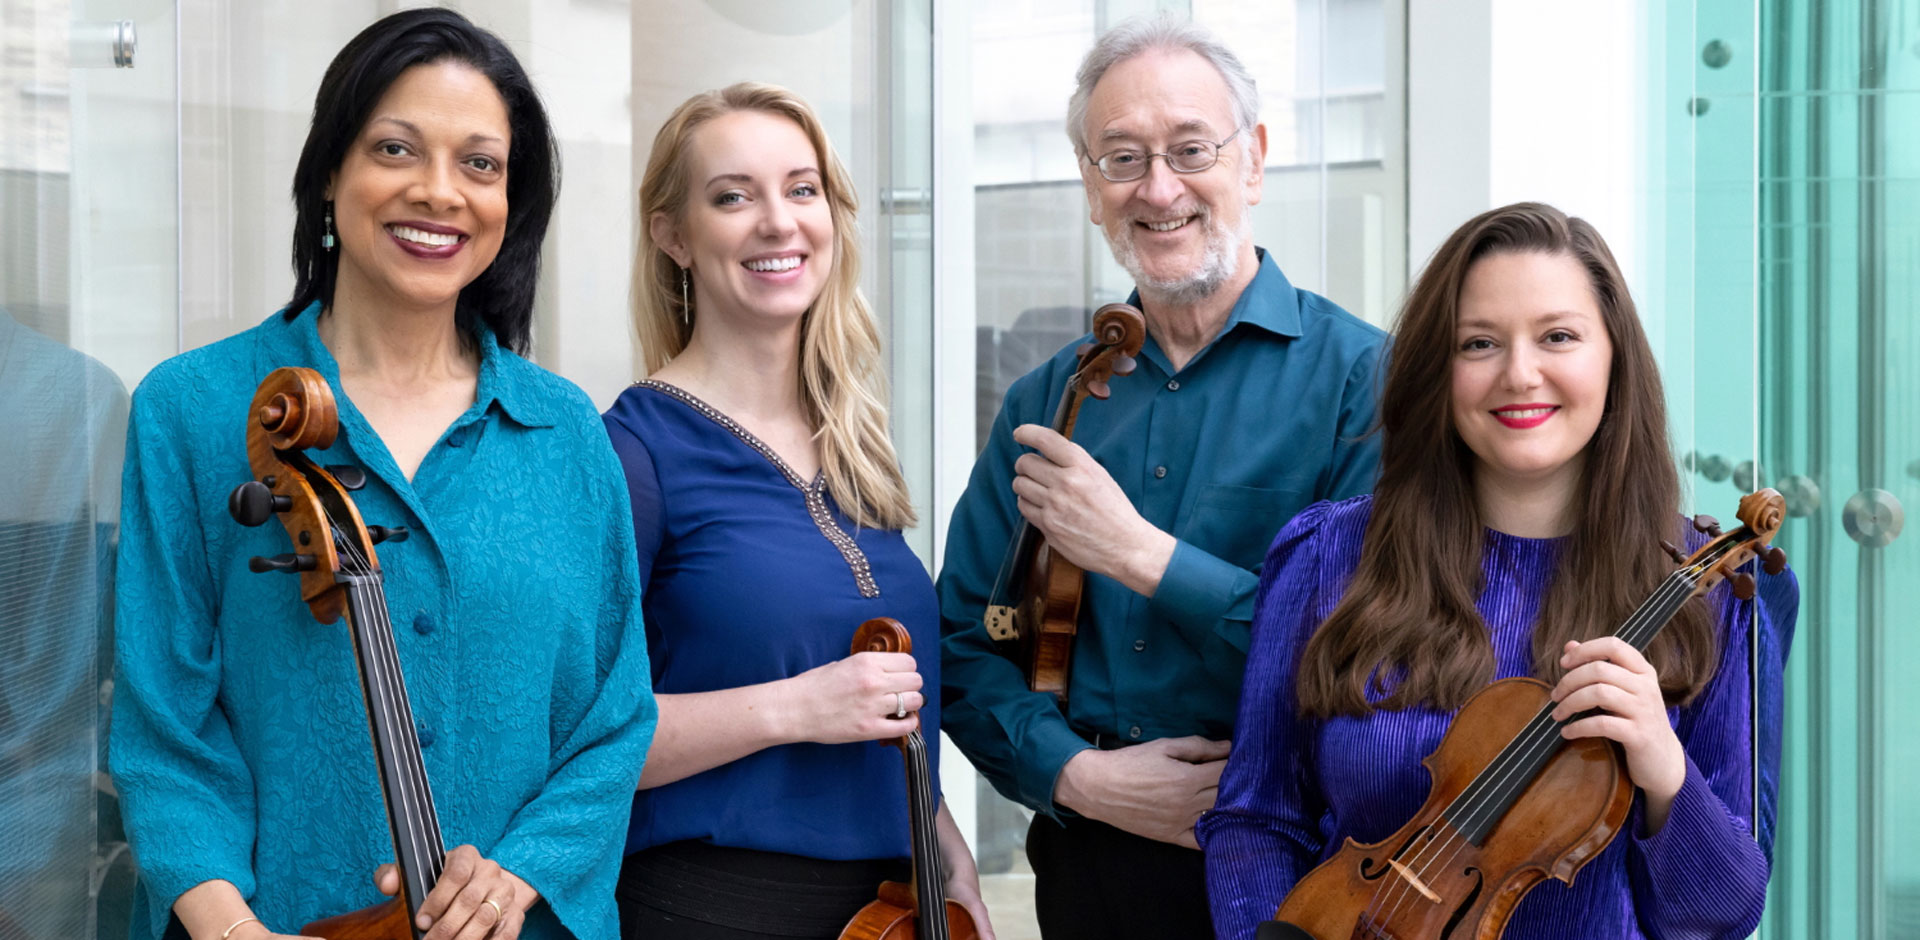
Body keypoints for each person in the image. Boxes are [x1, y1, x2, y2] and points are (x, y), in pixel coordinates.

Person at [109, 10, 656, 940]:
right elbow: (165, 729)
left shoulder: (563, 428)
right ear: (330, 171)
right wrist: (233, 929)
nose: (439, 192)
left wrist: (518, 877)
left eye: (480, 164)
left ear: (511, 200)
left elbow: (613, 718)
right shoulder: (192, 409)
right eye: (396, 149)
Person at [1197, 202, 1799, 939]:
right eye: (1479, 343)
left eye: (1558, 337)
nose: (1519, 374)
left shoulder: (1722, 599)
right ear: (1438, 368)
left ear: (1614, 357)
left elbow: (1721, 915)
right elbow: (1257, 821)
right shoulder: (1327, 555)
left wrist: (1662, 764)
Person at [937, 14, 1389, 940]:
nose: (1158, 188)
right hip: (1089, 868)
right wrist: (1076, 776)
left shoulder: (1364, 382)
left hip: (1302, 867)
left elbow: (1371, 659)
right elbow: (964, 641)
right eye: (1122, 158)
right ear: (1090, 187)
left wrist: (1140, 554)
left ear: (1253, 161)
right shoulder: (1047, 400)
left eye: (1191, 149)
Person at [602, 83, 993, 940]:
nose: (779, 222)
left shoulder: (853, 445)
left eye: (802, 189)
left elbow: (887, 707)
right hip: (711, 911)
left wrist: (942, 843)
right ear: (673, 235)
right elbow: (582, 734)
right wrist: (797, 708)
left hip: (890, 909)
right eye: (733, 197)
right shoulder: (630, 453)